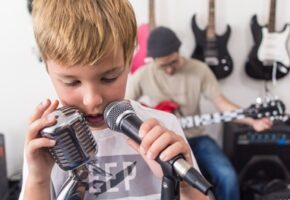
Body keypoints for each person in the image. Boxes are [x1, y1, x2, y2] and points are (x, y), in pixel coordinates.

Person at [18, 1, 209, 200]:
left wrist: (184, 186)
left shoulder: (165, 126)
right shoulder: (47, 143)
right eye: (72, 82)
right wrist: (38, 179)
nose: (92, 100)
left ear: (129, 63)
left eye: (109, 78)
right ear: (48, 69)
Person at [126, 26, 272, 200]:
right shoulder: (142, 75)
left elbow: (222, 104)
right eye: (163, 65)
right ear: (153, 59)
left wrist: (252, 121)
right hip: (164, 143)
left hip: (196, 138)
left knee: (227, 176)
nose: (169, 69)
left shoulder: (200, 69)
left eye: (173, 62)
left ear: (178, 51)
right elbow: (125, 107)